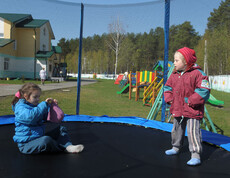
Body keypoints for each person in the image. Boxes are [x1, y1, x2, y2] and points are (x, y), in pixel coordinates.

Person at [163, 47, 210, 166]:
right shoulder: (174, 75)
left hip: (192, 109)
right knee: (176, 129)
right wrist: (169, 99)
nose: (174, 63)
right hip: (177, 108)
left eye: (176, 60)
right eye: (174, 60)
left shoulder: (198, 74)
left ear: (186, 62)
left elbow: (203, 90)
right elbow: (167, 88)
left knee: (193, 131)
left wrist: (191, 101)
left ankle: (195, 154)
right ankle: (176, 147)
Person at [11, 83, 84, 154]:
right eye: (35, 97)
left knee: (61, 129)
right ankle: (62, 148)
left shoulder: (35, 106)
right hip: (26, 144)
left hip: (38, 137)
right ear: (26, 96)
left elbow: (47, 118)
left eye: (38, 97)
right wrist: (43, 105)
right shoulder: (20, 107)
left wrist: (52, 108)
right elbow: (31, 117)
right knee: (46, 140)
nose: (38, 99)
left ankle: (68, 146)